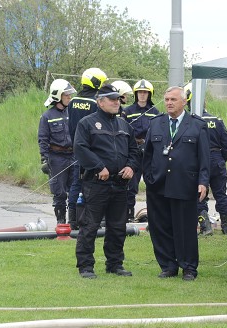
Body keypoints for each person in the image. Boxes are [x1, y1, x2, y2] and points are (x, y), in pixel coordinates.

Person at [73, 84, 139, 279]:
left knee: (118, 227)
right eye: (112, 99)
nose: (116, 102)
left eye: (118, 99)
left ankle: (115, 264)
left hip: (119, 184)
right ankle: (85, 266)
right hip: (96, 183)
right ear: (100, 102)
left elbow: (134, 151)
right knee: (90, 225)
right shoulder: (87, 123)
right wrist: (98, 166)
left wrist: (131, 167)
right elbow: (80, 148)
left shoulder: (124, 125)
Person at [143, 86, 209, 281]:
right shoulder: (156, 123)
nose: (169, 103)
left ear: (184, 102)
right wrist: (149, 178)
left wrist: (203, 181)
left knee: (185, 228)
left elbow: (205, 158)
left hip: (184, 183)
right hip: (158, 184)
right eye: (166, 99)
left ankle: (188, 267)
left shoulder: (197, 125)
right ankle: (168, 265)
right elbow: (147, 155)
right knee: (160, 226)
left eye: (173, 99)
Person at [184, 83, 227, 235]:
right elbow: (226, 144)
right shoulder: (216, 120)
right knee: (221, 194)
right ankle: (226, 226)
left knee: (199, 194)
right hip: (217, 159)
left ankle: (205, 226)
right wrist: (221, 159)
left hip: (197, 161)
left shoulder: (188, 121)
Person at [67, 67, 108, 229]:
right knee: (95, 185)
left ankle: (73, 219)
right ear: (96, 82)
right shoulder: (95, 103)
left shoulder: (73, 101)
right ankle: (92, 219)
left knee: (76, 184)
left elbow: (71, 126)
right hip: (95, 150)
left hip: (78, 149)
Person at [38, 79, 77, 225]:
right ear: (58, 95)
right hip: (56, 158)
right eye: (66, 94)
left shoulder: (73, 112)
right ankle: (61, 222)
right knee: (59, 192)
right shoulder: (47, 116)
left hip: (73, 156)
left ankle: (74, 221)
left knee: (75, 189)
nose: (69, 97)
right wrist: (44, 159)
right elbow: (43, 139)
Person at [122, 79, 161, 222]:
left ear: (149, 94)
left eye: (145, 92)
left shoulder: (155, 112)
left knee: (152, 185)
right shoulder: (128, 111)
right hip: (134, 151)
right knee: (131, 185)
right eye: (140, 92)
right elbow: (124, 132)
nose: (142, 95)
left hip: (150, 151)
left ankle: (154, 215)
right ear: (136, 94)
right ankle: (128, 214)